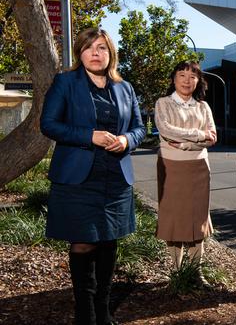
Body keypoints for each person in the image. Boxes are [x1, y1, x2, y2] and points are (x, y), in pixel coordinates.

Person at [40, 27, 145, 325]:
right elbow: (48, 124)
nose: (95, 53)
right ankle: (84, 312)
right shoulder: (65, 83)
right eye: (88, 48)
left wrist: (126, 141)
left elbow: (139, 128)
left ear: (110, 52)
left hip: (115, 178)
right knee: (84, 243)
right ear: (80, 53)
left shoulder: (125, 88)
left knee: (110, 241)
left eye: (101, 47)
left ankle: (103, 310)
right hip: (78, 179)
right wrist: (90, 136)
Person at [154, 60, 216, 280]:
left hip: (199, 167)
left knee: (197, 218)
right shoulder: (163, 103)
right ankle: (176, 271)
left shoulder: (203, 106)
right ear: (174, 79)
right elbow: (166, 130)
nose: (187, 80)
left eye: (192, 76)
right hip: (171, 167)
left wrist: (187, 144)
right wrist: (199, 135)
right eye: (182, 75)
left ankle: (195, 272)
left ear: (198, 81)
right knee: (173, 217)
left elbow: (213, 137)